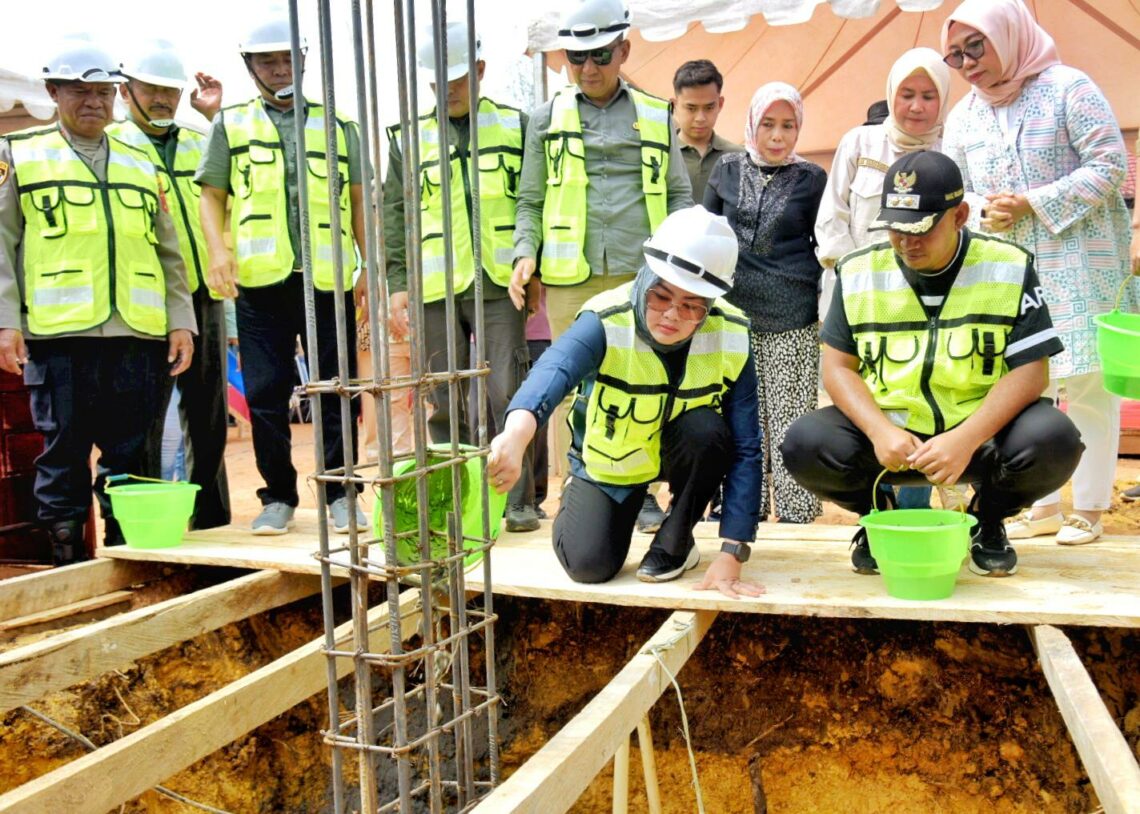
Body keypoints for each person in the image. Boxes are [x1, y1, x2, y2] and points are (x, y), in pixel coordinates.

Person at [782, 151, 1083, 578]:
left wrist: (965, 438)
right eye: (896, 229)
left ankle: (988, 520)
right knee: (804, 442)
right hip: (893, 442)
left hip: (980, 439)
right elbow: (838, 368)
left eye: (922, 229)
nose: (907, 243)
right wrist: (878, 430)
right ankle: (878, 517)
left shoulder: (1009, 266)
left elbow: (1032, 371)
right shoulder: (859, 271)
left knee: (1055, 438)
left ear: (960, 215)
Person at [489, 206, 764, 598]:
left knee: (707, 430)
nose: (671, 315)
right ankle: (590, 494)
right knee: (588, 565)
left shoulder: (732, 333)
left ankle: (676, 540)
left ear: (710, 306)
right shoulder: (607, 318)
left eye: (691, 306)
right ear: (646, 276)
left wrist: (733, 551)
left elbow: (746, 446)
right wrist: (516, 435)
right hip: (615, 459)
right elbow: (554, 371)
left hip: (681, 449)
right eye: (661, 296)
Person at [941, 0, 1131, 545]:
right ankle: (1041, 503)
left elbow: (1109, 163)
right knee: (1030, 382)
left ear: (1009, 34)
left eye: (975, 47)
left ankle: (1089, 508)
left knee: (1090, 383)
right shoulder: (964, 115)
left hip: (1082, 260)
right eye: (955, 55)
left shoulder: (1069, 87)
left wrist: (1033, 201)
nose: (967, 63)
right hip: (1011, 268)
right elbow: (959, 187)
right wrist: (984, 211)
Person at [0, 39, 196, 564]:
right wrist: (5, 323)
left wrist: (181, 322)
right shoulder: (22, 154)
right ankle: (69, 566)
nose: (93, 102)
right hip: (60, 338)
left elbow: (169, 252)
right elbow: (2, 246)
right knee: (62, 455)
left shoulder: (140, 161)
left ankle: (129, 562)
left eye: (103, 92)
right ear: (52, 92)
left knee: (131, 457)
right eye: (79, 91)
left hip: (137, 336)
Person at [510, 0, 692, 533]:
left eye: (601, 55)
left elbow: (679, 193)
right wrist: (526, 252)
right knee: (573, 385)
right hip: (573, 276)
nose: (589, 68)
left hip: (645, 275)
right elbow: (530, 199)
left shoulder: (658, 114)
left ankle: (648, 491)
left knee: (649, 380)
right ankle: (583, 486)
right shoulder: (545, 118)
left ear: (624, 50)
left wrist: (679, 264)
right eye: (576, 57)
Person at [196, 17, 367, 536]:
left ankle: (341, 493)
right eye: (268, 61)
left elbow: (358, 202)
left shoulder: (339, 125)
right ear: (251, 67)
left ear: (305, 61)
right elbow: (211, 195)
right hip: (261, 284)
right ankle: (279, 497)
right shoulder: (232, 124)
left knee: (337, 389)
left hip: (327, 280)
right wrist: (218, 251)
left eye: (289, 58)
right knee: (267, 391)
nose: (280, 69)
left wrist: (368, 267)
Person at [382, 20, 534, 531]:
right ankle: (459, 501)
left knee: (506, 394)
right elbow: (396, 218)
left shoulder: (517, 124)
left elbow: (531, 202)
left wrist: (531, 266)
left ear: (481, 71)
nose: (448, 91)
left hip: (497, 283)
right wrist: (398, 282)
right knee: (443, 397)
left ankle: (518, 503)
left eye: (458, 80)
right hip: (432, 288)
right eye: (438, 83)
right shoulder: (407, 138)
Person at [814, 48, 956, 512]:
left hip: (934, 299)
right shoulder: (860, 143)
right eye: (907, 94)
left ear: (944, 99)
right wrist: (863, 277)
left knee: (918, 393)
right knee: (865, 401)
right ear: (891, 94)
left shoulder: (956, 148)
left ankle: (919, 512)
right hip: (859, 297)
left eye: (928, 96)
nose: (916, 106)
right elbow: (831, 220)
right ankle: (876, 512)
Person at [109, 42, 230, 530]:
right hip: (144, 300)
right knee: (142, 420)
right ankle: (142, 525)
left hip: (203, 293)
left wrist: (216, 116)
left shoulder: (201, 140)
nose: (163, 98)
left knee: (209, 416)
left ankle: (211, 519)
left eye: (170, 90)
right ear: (125, 90)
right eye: (152, 88)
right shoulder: (114, 147)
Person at [703, 82, 825, 524]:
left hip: (793, 312)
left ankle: (798, 514)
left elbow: (823, 241)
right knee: (740, 418)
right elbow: (708, 235)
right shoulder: (726, 169)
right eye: (769, 124)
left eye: (788, 125)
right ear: (753, 122)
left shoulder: (813, 179)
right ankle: (740, 510)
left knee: (792, 421)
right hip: (732, 315)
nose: (777, 136)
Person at [672, 59, 744, 202]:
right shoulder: (659, 156)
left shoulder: (740, 158)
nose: (700, 118)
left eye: (709, 107)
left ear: (720, 104)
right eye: (691, 108)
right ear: (674, 105)